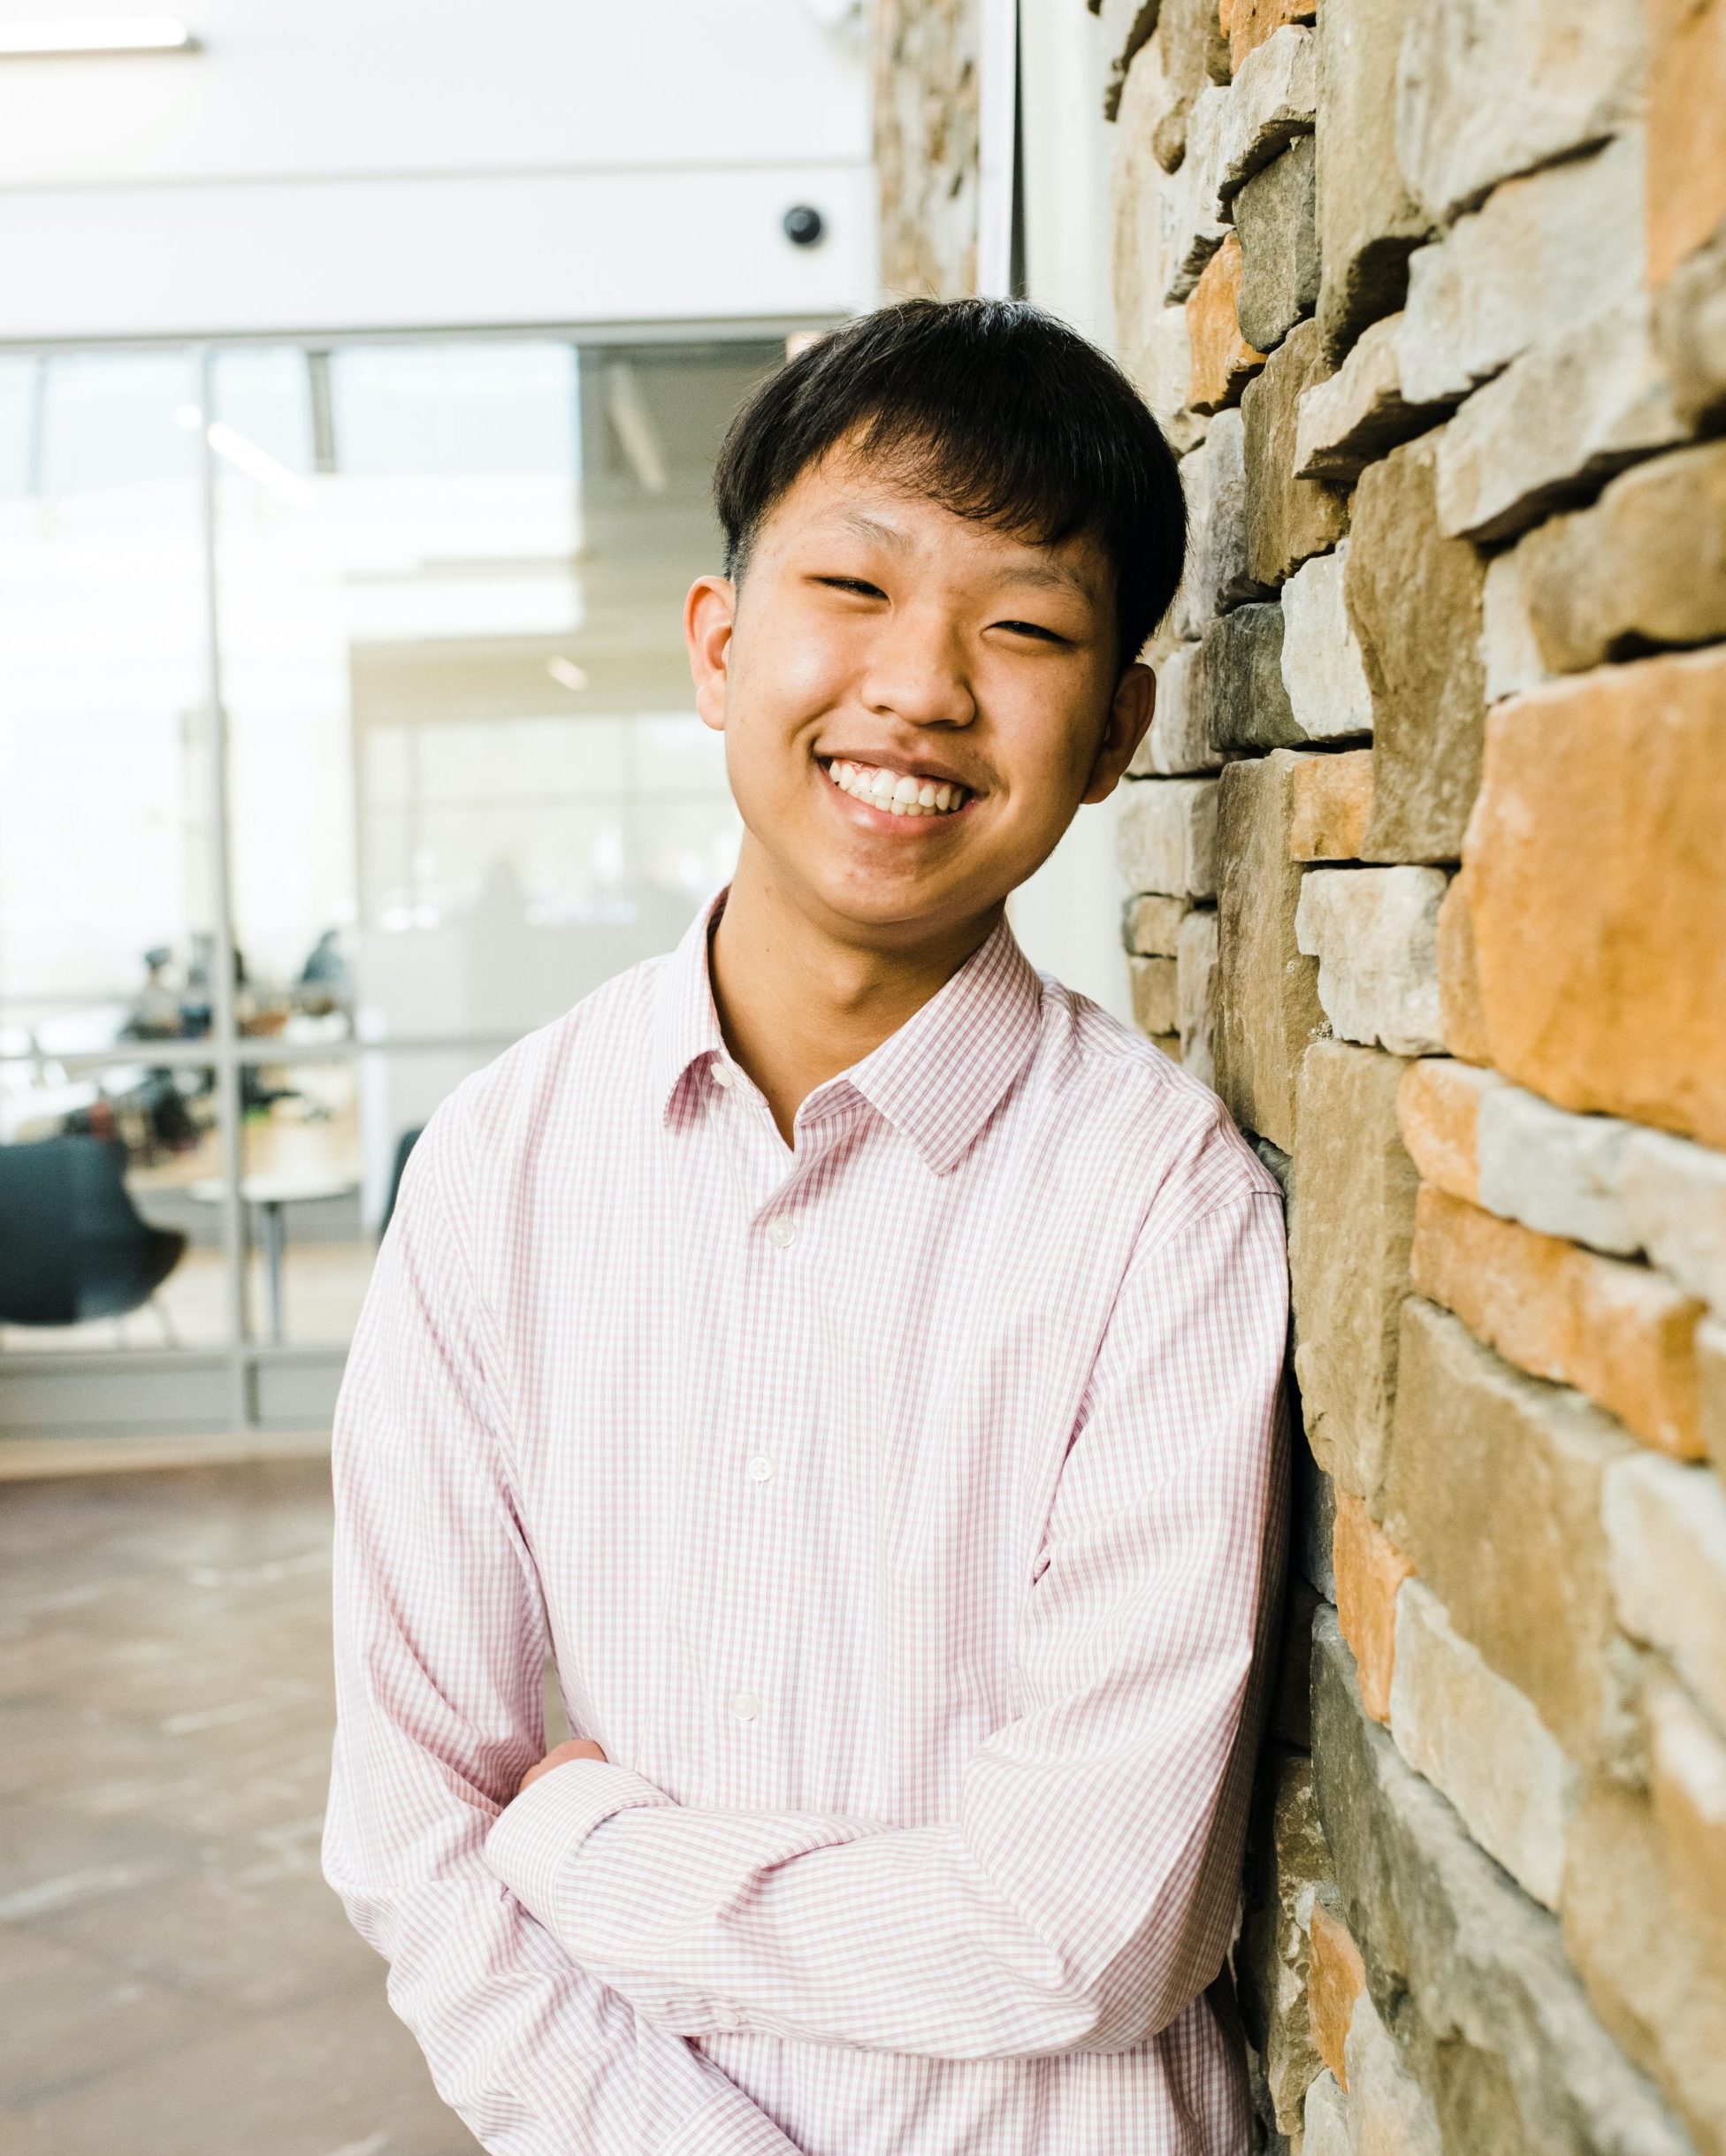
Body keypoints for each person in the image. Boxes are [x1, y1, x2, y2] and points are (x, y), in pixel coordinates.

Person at [323, 297, 1290, 2156]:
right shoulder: (501, 1168)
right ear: (716, 644)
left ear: (1114, 737)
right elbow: (405, 1816)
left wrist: (580, 1841)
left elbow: (1076, 1932)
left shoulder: (1161, 1205)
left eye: (1020, 626)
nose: (920, 684)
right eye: (851, 587)